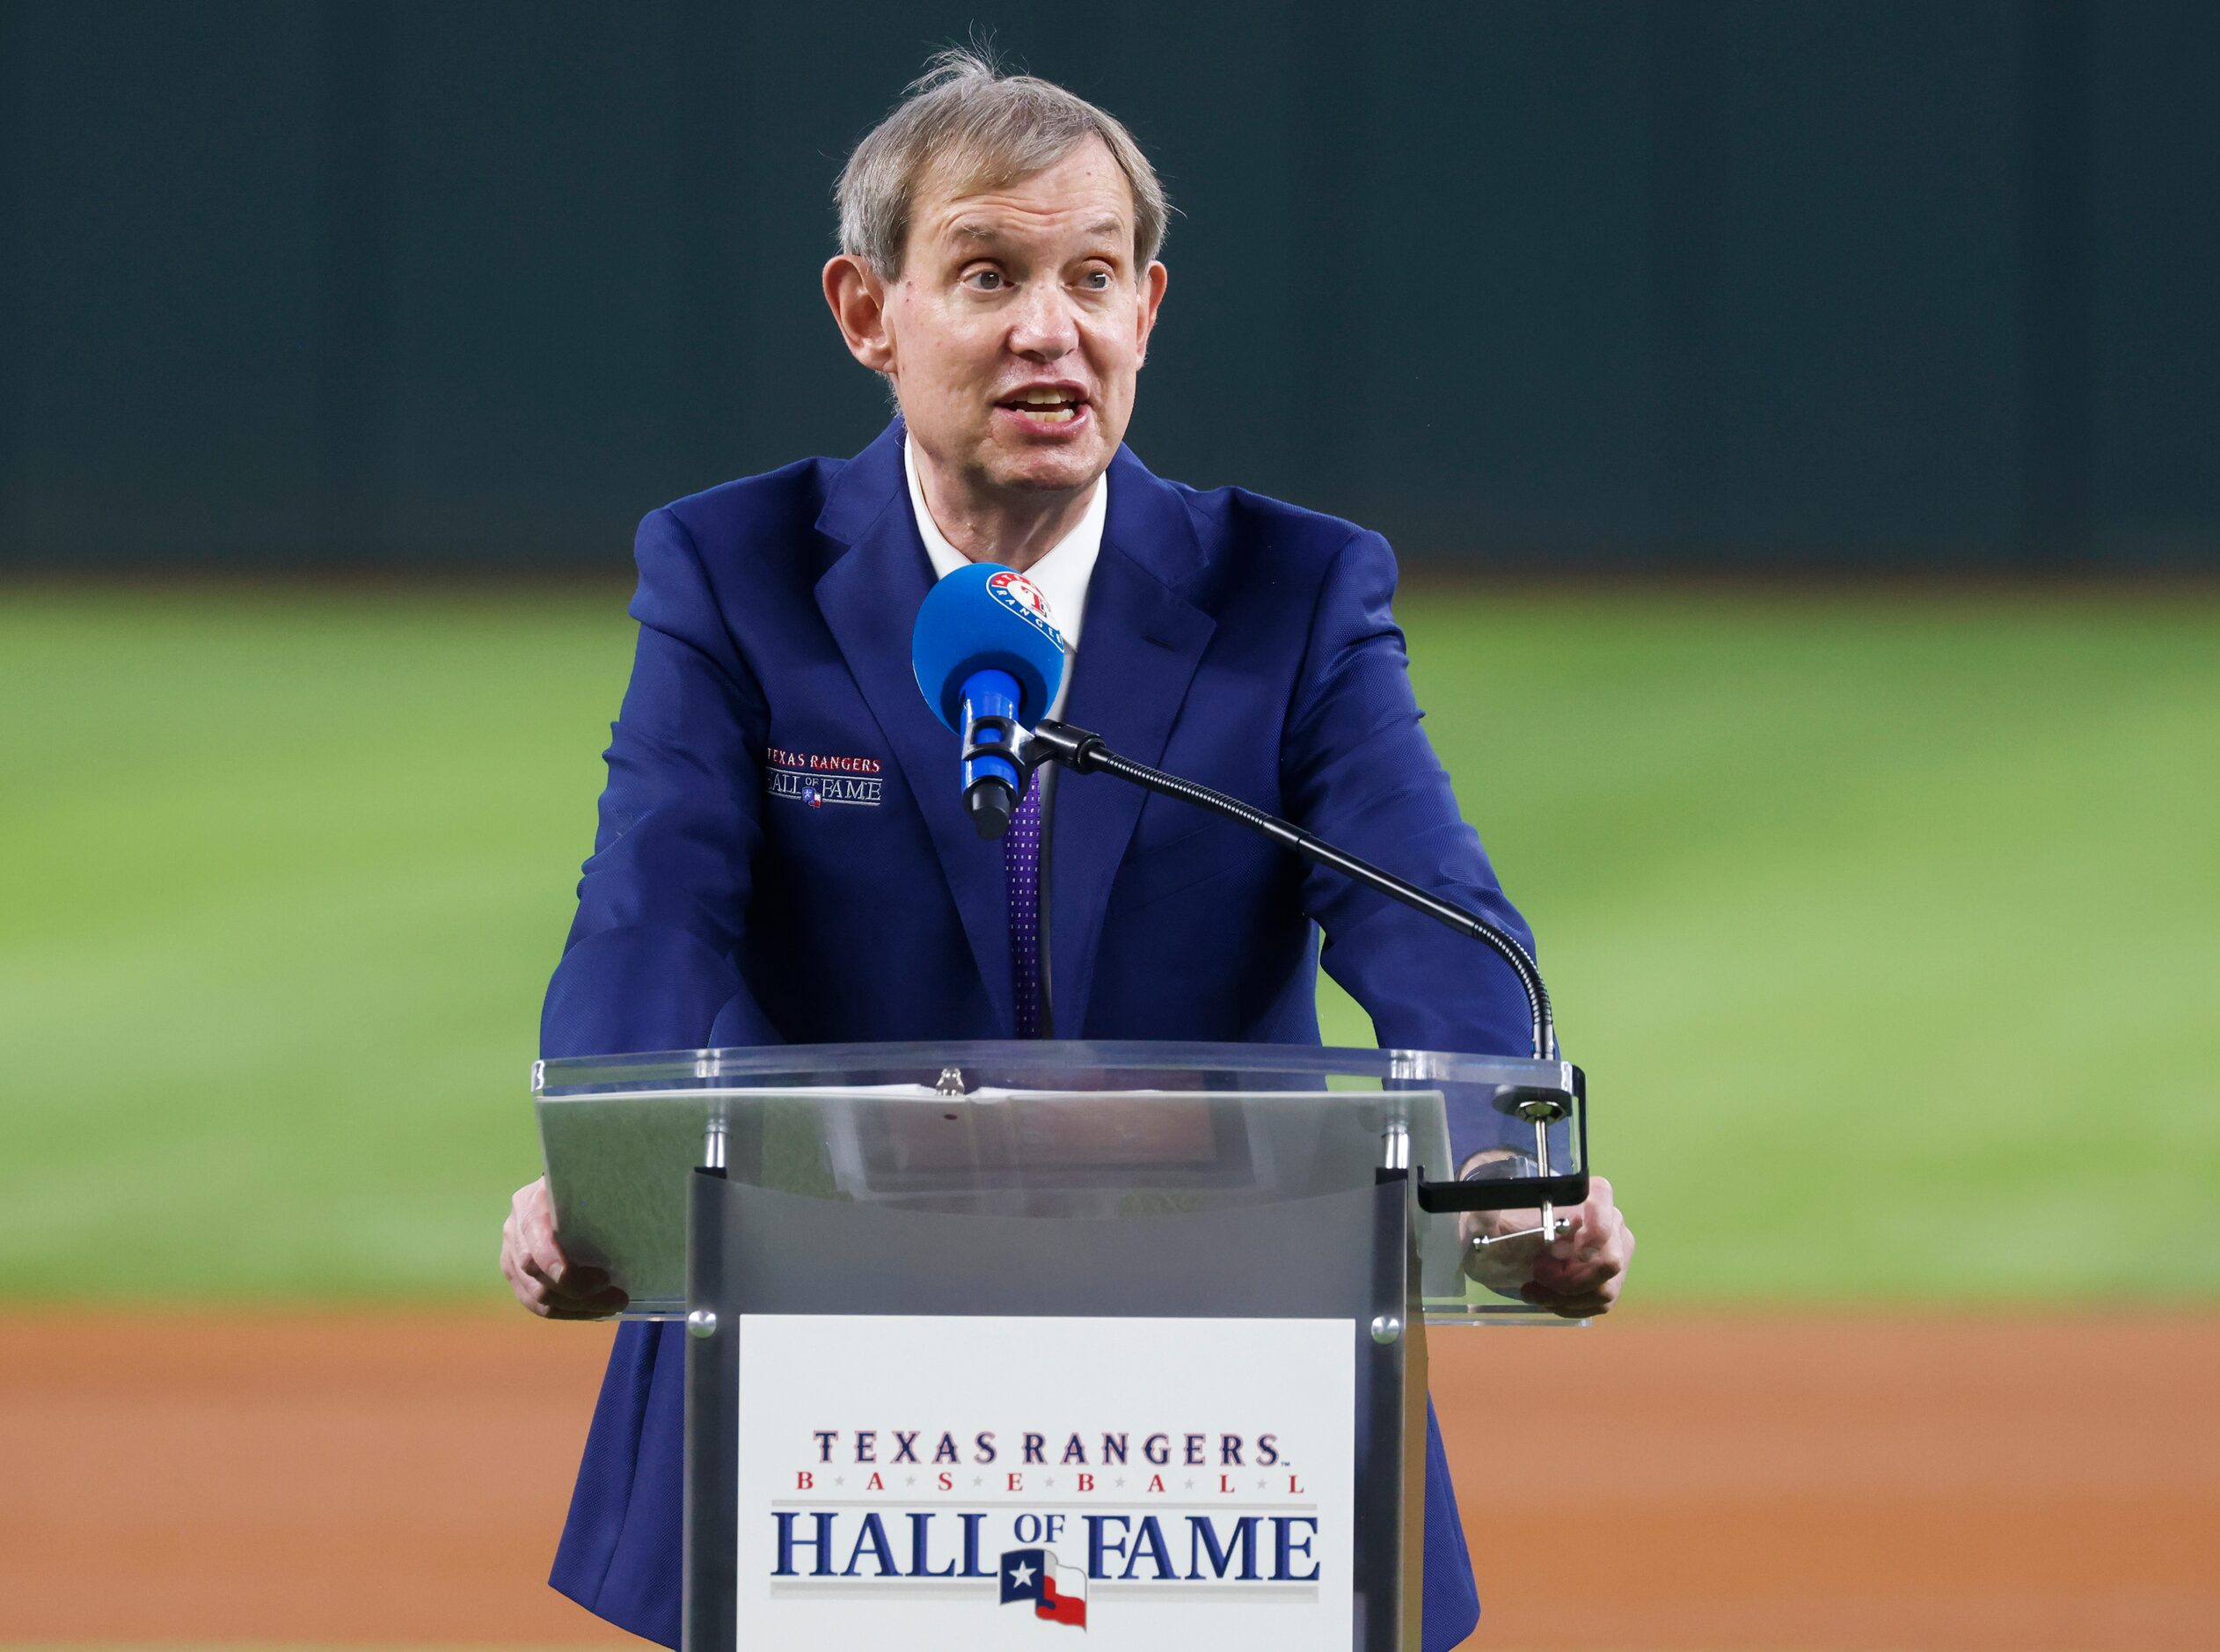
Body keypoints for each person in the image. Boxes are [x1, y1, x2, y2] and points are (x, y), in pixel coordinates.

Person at [499, 48, 1633, 1649]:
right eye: (989, 272)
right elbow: (651, 903)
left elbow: (1429, 914)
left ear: (1148, 309)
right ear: (866, 310)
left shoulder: (1290, 592)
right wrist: (601, 1171)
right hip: (831, 1385)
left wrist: (1509, 1167)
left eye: (1094, 276)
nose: (1053, 326)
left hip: (1210, 1420)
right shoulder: (734, 571)